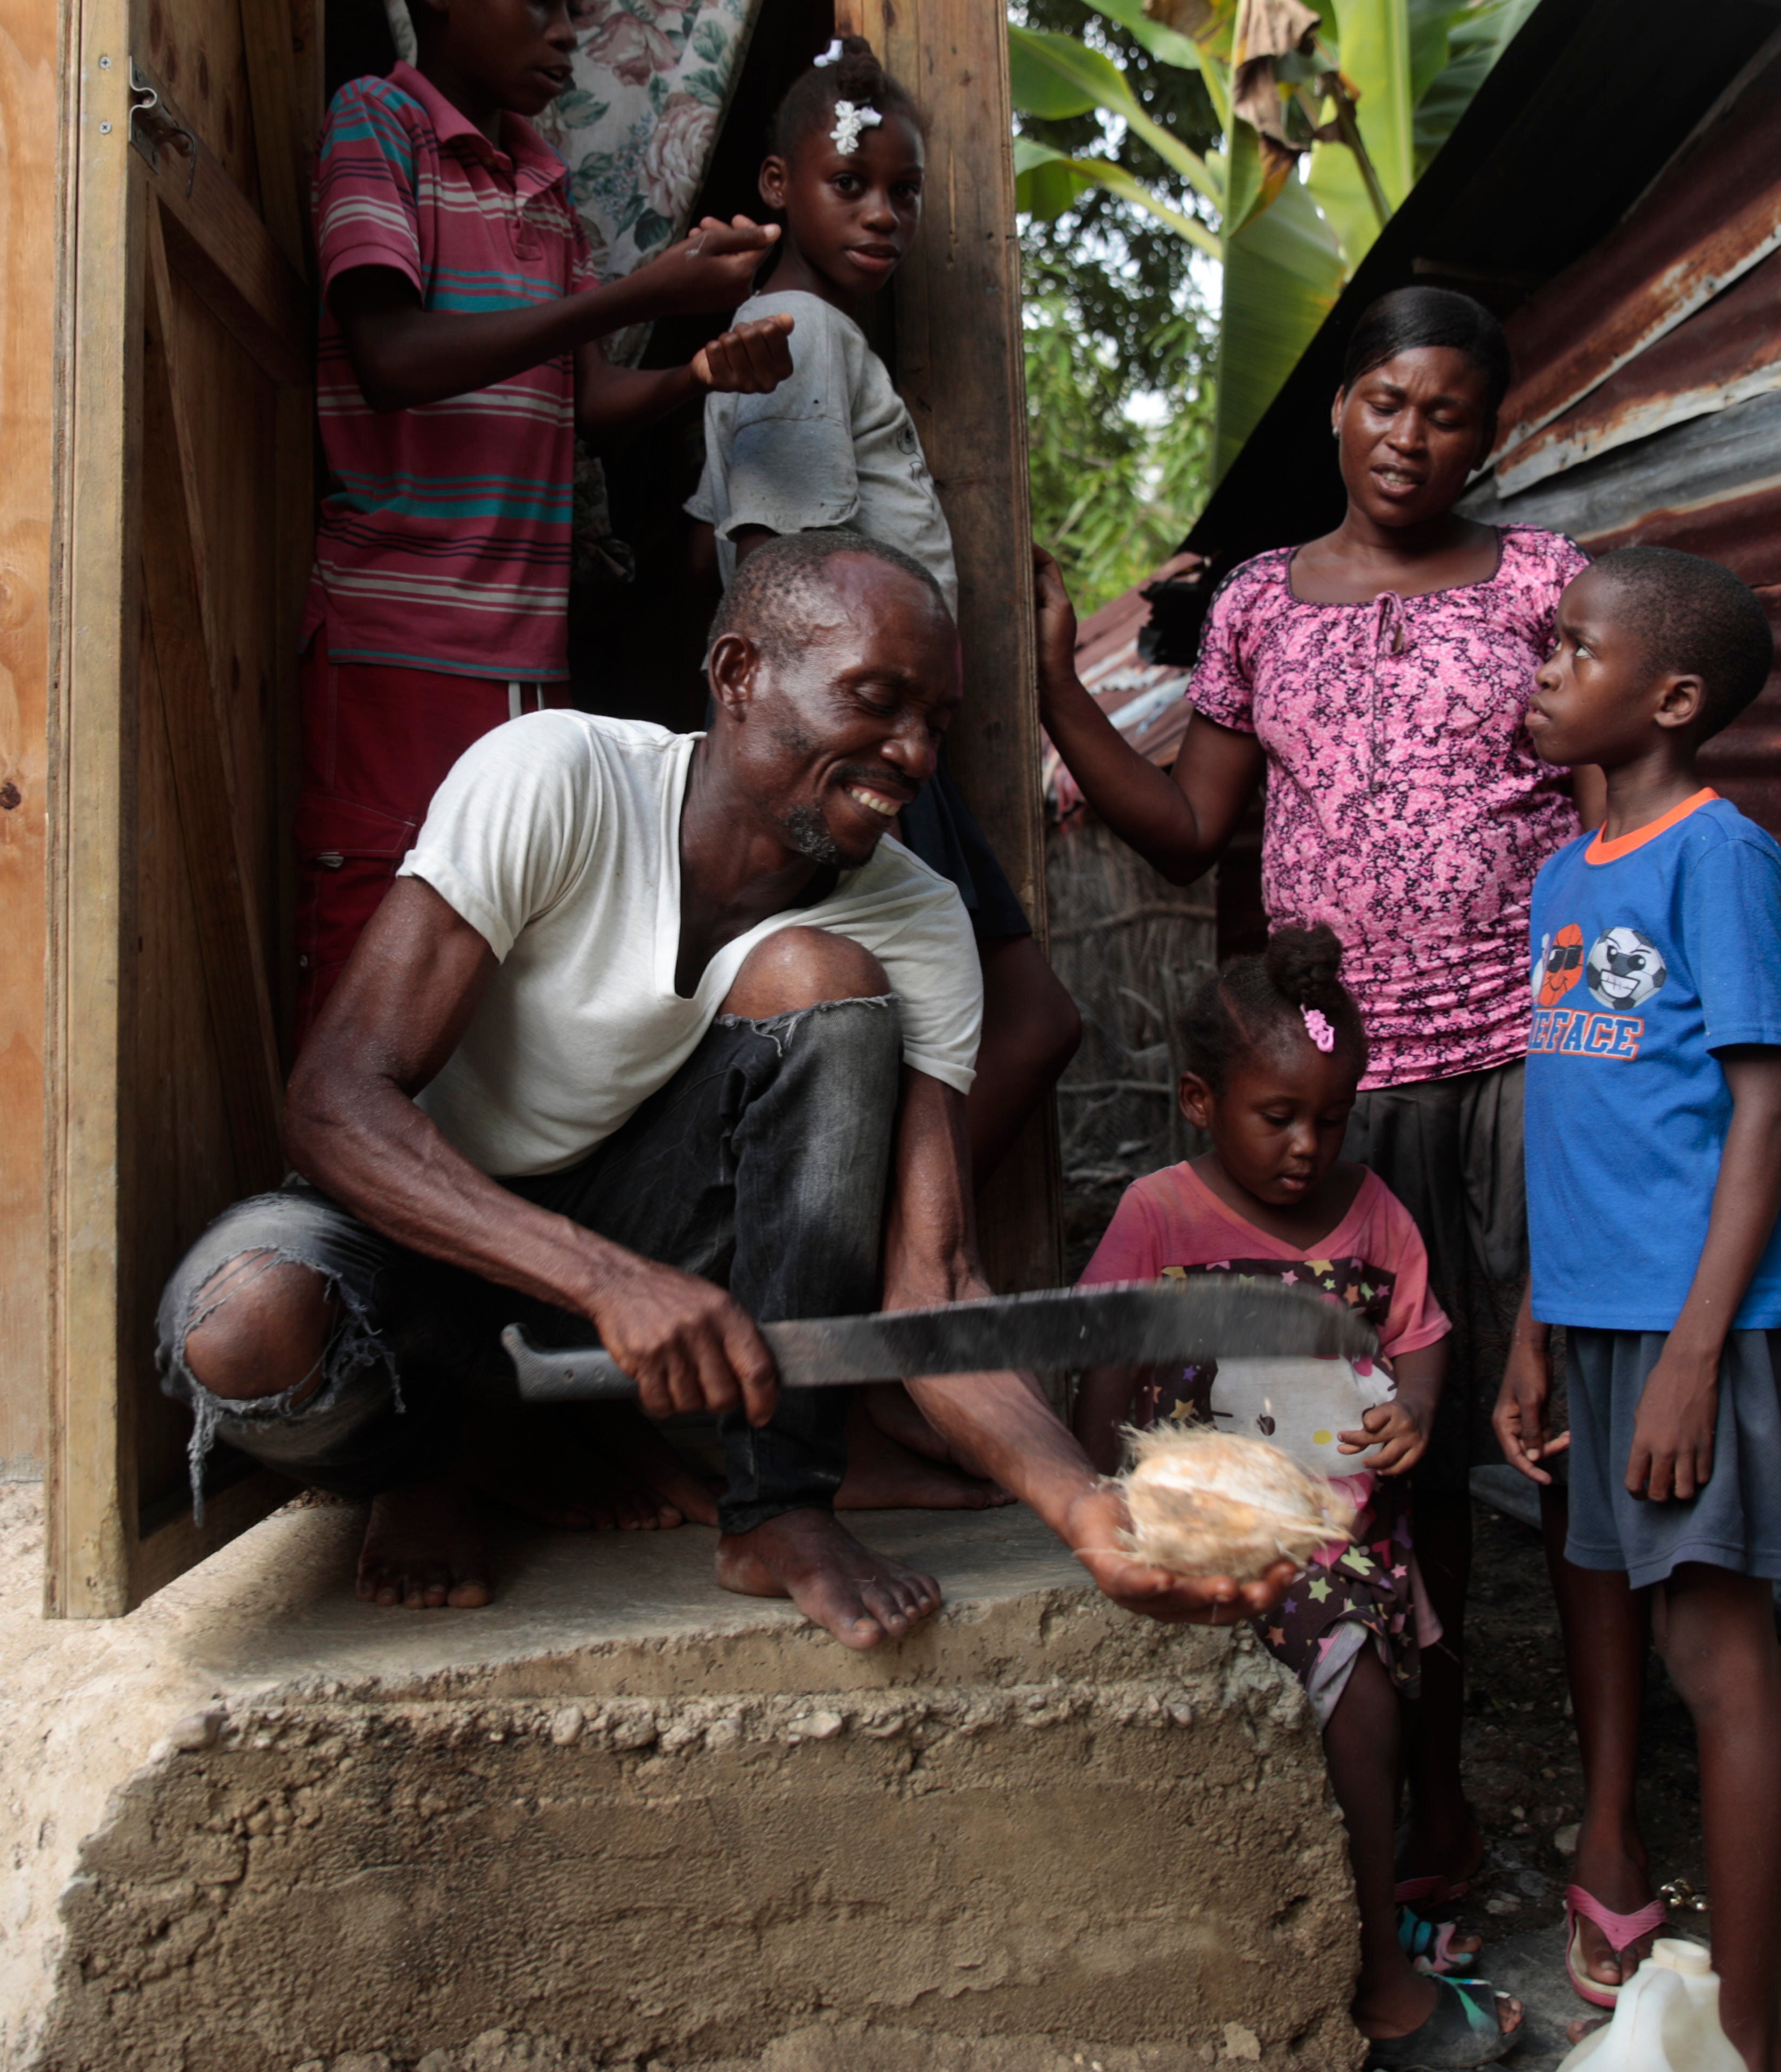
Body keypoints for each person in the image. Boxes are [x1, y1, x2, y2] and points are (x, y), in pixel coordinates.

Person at [155, 528, 1294, 1650]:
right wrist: (604, 1278)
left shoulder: (914, 914)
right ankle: (435, 1456)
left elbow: (933, 1280)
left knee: (826, 980)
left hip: (613, 1276)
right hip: (416, 1239)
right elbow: (336, 1097)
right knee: (243, 1325)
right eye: (876, 697)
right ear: (739, 674)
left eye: (933, 721)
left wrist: (1090, 1513)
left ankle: (779, 1508)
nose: (913, 754)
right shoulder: (558, 775)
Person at [1036, 284, 1587, 1902]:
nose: (1414, 440)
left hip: (1524, 1067)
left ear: (1489, 431)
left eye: (1450, 414)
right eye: (1387, 404)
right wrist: (1059, 686)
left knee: (1546, 1435)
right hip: (1345, 1106)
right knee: (1381, 1468)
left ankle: (1530, 1804)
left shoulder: (1549, 585)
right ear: (1340, 408)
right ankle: (1427, 1803)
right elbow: (1192, 824)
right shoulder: (1266, 603)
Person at [301, 0, 798, 1024]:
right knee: (368, 950)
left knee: (500, 960)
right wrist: (634, 295)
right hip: (399, 639)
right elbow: (394, 357)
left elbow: (578, 405)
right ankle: (332, 1197)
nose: (569, 33)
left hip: (528, 650)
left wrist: (694, 371)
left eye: (579, 6)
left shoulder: (543, 190)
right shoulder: (380, 129)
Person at [1068, 927, 1521, 2072]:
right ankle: (1384, 1978)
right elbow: (1104, 1377)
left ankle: (1378, 1938)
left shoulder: (1373, 1214)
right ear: (1199, 1099)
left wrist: (1413, 1412)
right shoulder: (1159, 1218)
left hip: (1339, 1533)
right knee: (1355, 1696)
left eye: (1334, 1115)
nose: (1309, 1145)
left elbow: (1422, 1336)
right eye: (1280, 1116)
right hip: (1210, 1526)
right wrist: (1094, 1505)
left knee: (1375, 1699)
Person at [1492, 545, 1781, 2069]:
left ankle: (1765, 2030)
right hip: (1600, 1319)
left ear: (1671, 697)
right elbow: (1580, 1132)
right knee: (1661, 1627)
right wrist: (1536, 1332)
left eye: (1574, 648)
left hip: (1705, 1328)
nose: (1545, 667)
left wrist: (1694, 1357)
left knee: (1717, 1657)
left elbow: (1763, 1117)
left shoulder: (1722, 857)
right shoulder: (1569, 871)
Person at [685, 34, 1081, 1188]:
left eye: (904, 192)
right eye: (849, 184)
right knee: (1013, 1015)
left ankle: (893, 1242)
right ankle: (889, 1252)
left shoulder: (805, 337)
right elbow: (787, 575)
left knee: (987, 1017)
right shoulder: (800, 339)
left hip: (872, 733)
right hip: (853, 736)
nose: (883, 214)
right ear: (777, 186)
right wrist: (857, 765)